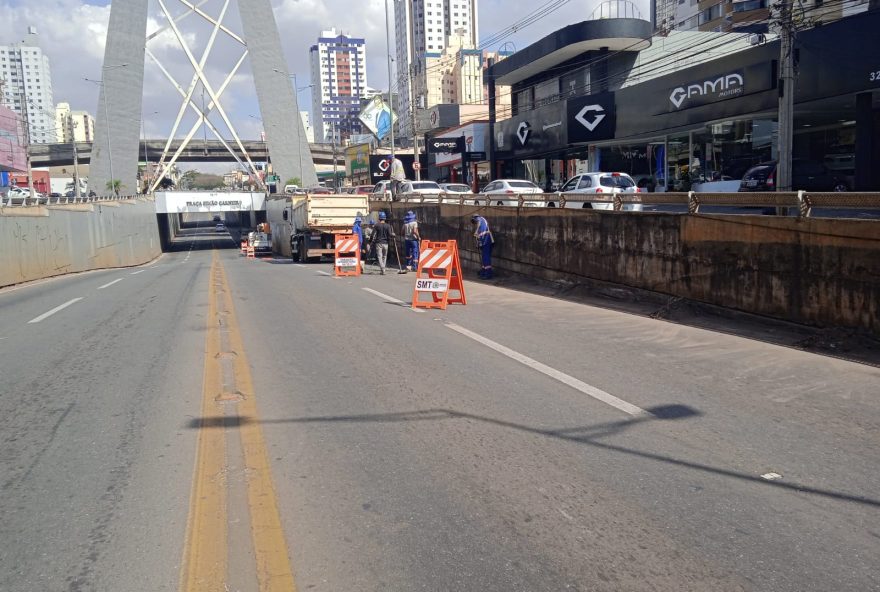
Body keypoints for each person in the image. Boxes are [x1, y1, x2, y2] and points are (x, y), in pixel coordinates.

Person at [471, 214, 494, 279]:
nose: (475, 223)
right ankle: (484, 270)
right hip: (484, 241)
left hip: (487, 240)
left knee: (486, 257)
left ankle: (488, 273)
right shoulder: (482, 221)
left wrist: (476, 231)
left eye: (474, 222)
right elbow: (479, 236)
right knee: (484, 257)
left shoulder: (479, 219)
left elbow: (479, 223)